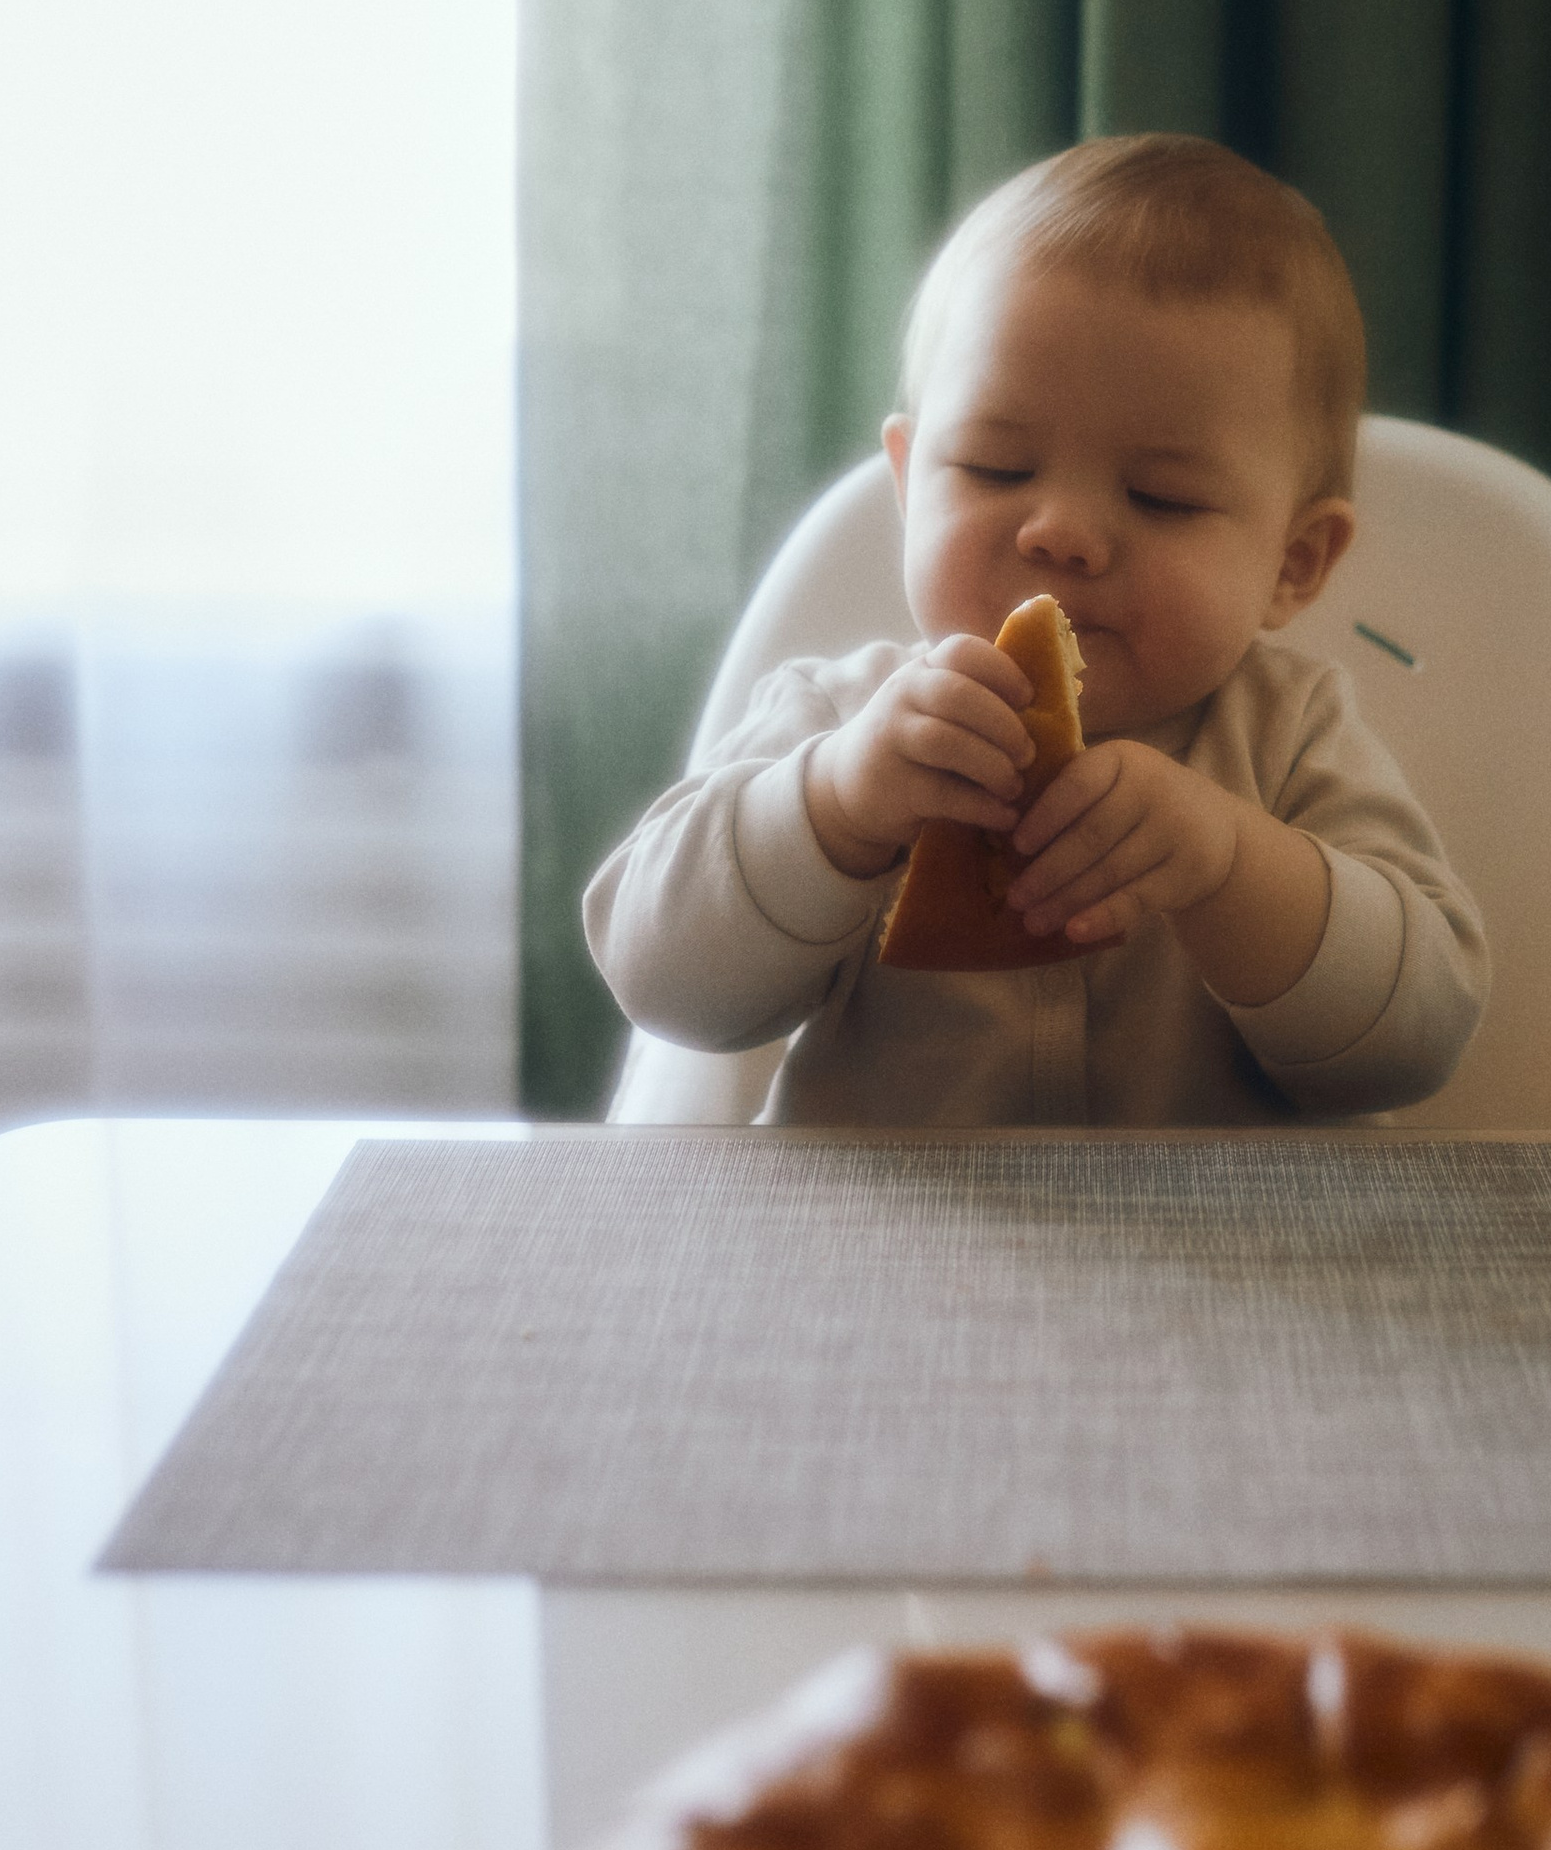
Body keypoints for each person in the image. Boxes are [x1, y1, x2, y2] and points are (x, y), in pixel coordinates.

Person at [585, 135, 1488, 1125]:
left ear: (1292, 563)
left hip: (1227, 1263)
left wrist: (1232, 866)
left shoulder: (1289, 737)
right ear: (907, 482)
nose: (1057, 532)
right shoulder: (840, 718)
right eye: (995, 470)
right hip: (886, 1262)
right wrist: (837, 805)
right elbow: (659, 981)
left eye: (1161, 496)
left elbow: (1417, 1036)